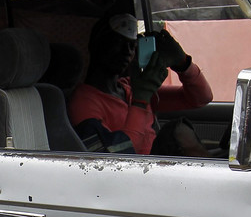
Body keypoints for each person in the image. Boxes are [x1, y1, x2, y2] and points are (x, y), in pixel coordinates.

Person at [67, 13, 213, 155]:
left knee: (181, 127)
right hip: (133, 174)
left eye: (132, 46)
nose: (127, 52)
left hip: (157, 168)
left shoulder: (131, 87)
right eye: (118, 42)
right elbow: (117, 156)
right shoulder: (83, 102)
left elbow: (201, 98)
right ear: (97, 45)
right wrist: (140, 100)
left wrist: (183, 64)